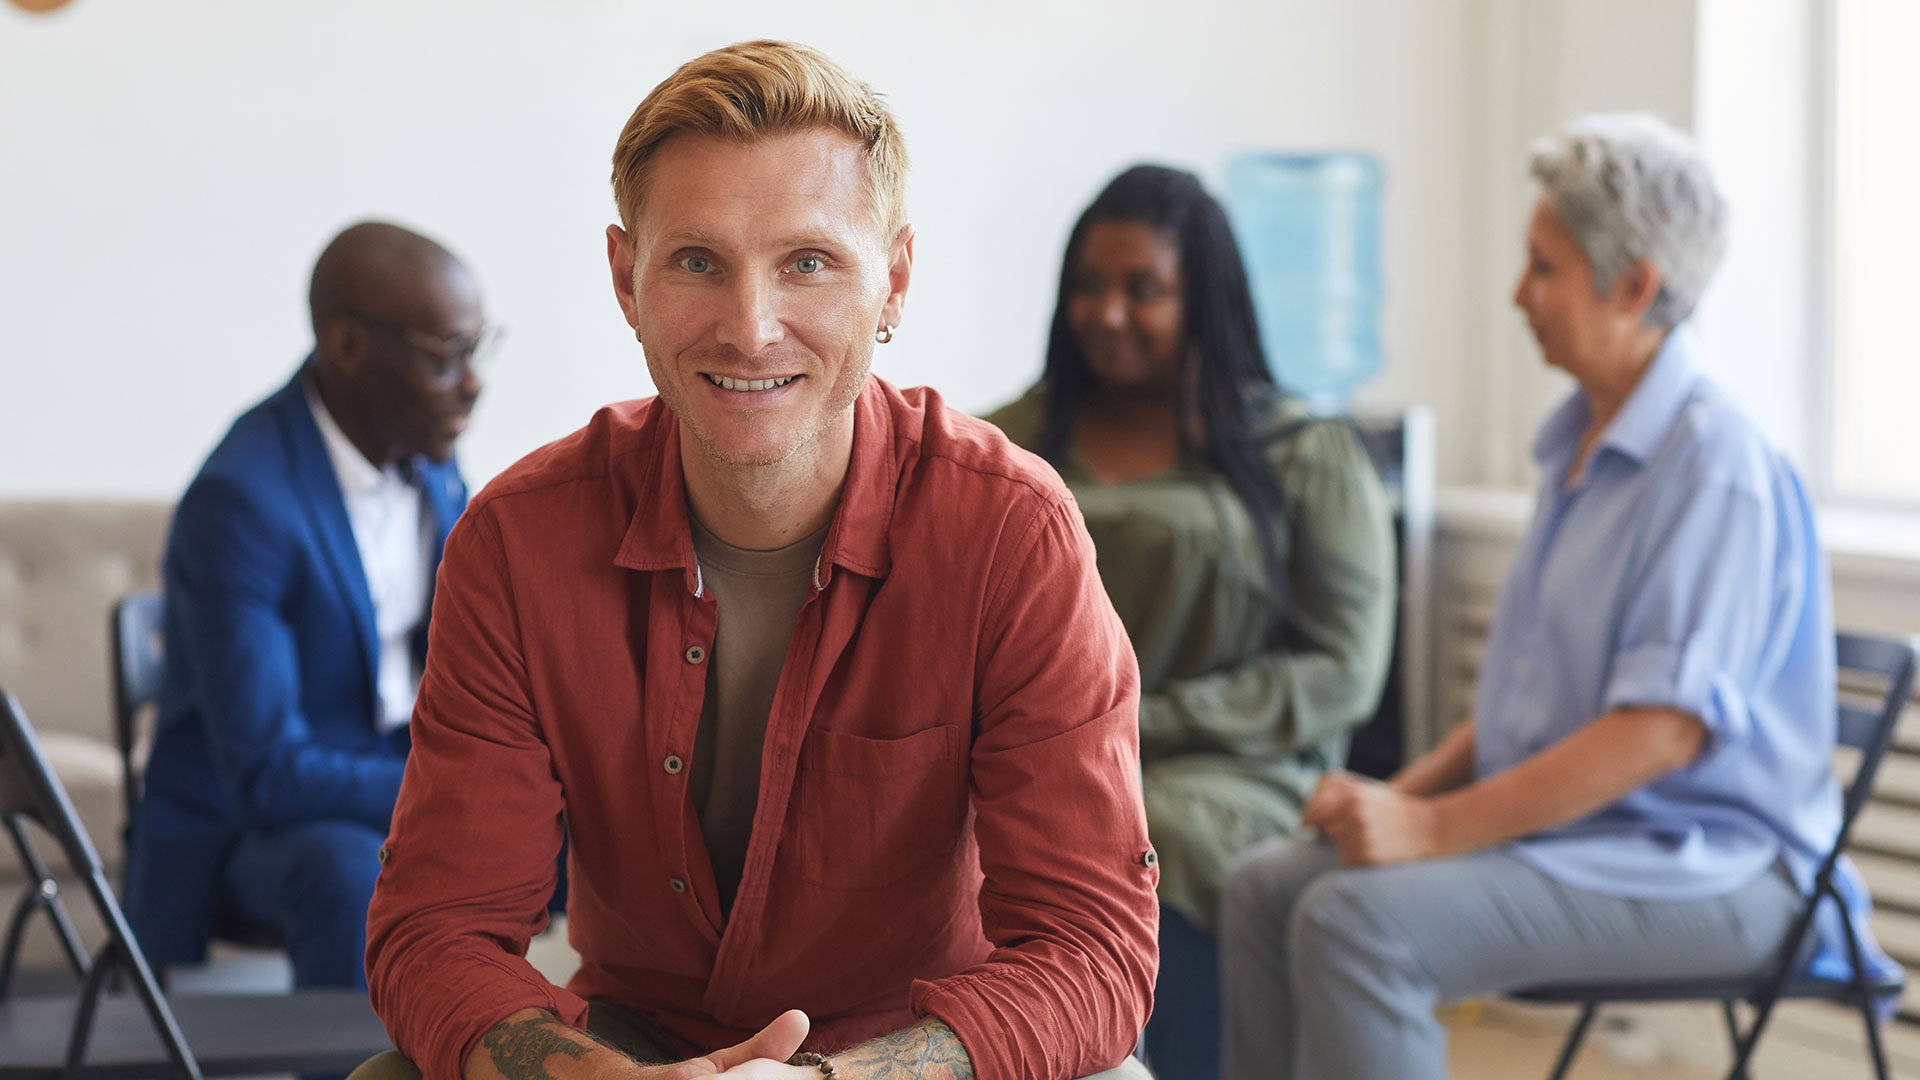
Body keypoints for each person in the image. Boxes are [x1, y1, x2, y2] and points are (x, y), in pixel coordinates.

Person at [356, 41, 1157, 1080]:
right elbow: (438, 929)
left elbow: (1094, 945)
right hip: (638, 1043)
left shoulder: (1011, 533)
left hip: (920, 1050)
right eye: (697, 261)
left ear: (894, 282)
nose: (750, 327)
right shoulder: (517, 542)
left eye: (808, 263)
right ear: (625, 279)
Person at [1219, 113, 1892, 1080]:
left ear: (1635, 286)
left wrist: (1432, 830)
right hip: (1591, 843)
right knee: (1264, 885)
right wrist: (1397, 799)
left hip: (1717, 867)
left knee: (1360, 923)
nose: (1517, 294)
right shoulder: (1578, 442)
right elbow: (1527, 716)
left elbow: (1659, 733)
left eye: (1544, 268)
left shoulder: (1716, 465)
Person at [984, 165, 1396, 1080]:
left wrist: (1148, 723)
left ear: (1201, 299)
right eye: (1089, 286)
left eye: (1145, 289)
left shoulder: (1299, 454)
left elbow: (1341, 668)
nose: (1109, 312)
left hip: (1231, 773)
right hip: (1039, 763)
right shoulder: (1008, 446)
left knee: (1138, 839)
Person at [125, 222, 491, 988]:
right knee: (351, 870)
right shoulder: (243, 501)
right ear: (348, 346)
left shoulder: (429, 455)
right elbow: (267, 773)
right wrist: (455, 787)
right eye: (443, 357)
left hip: (395, 776)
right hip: (250, 824)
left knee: (613, 838)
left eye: (477, 349)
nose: (472, 383)